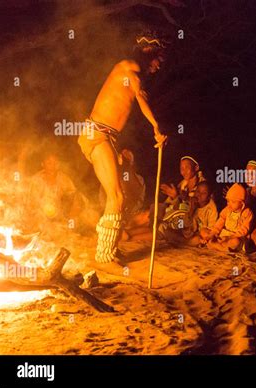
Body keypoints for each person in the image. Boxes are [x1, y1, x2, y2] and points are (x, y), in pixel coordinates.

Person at [77, 32, 167, 263]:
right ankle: (104, 255)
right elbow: (140, 97)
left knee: (122, 196)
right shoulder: (127, 67)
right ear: (149, 52)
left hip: (106, 137)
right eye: (159, 59)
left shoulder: (135, 77)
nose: (159, 65)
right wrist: (156, 127)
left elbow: (139, 94)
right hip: (95, 134)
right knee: (116, 196)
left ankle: (111, 247)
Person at [202, 183, 253, 252]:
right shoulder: (227, 209)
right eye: (228, 201)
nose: (229, 204)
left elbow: (243, 231)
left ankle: (216, 246)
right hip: (224, 235)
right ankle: (220, 246)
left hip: (235, 237)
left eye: (233, 202)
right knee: (203, 231)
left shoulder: (247, 213)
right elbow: (219, 225)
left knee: (235, 242)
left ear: (242, 203)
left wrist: (229, 238)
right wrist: (211, 235)